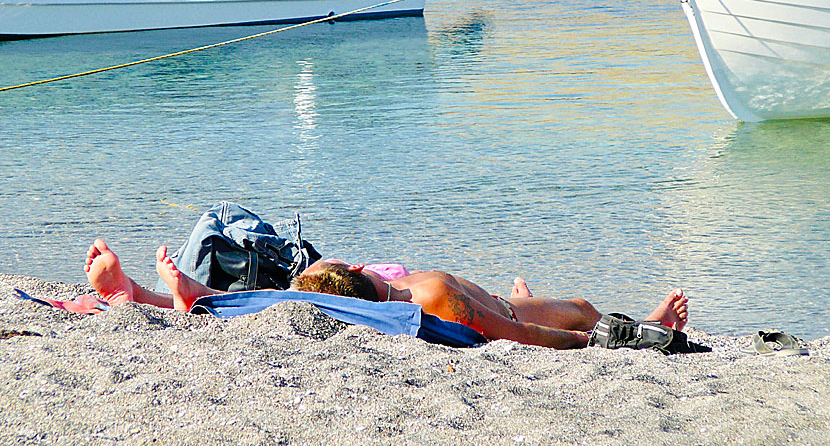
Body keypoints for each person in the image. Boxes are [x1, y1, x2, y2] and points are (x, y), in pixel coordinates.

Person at [84, 240, 689, 350]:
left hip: (493, 303)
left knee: (562, 302)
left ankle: (138, 294)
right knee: (582, 309)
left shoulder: (380, 293)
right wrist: (588, 342)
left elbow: (272, 305)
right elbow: (517, 336)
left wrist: (154, 296)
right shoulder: (424, 295)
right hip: (500, 315)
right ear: (352, 271)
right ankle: (642, 321)